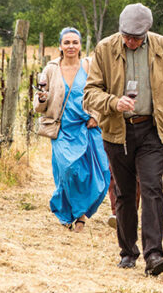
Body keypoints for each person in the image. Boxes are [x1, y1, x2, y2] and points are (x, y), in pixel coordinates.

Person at [84, 3, 163, 277]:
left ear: (147, 31)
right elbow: (89, 93)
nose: (130, 41)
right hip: (117, 131)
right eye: (126, 36)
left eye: (136, 37)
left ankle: (154, 254)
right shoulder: (105, 48)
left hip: (152, 130)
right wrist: (112, 101)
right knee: (124, 193)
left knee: (152, 188)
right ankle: (127, 251)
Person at [35, 27, 111, 233]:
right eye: (66, 42)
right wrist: (41, 99)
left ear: (80, 45)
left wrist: (97, 116)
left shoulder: (90, 66)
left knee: (99, 173)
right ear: (60, 45)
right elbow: (39, 105)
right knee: (68, 171)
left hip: (87, 128)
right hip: (62, 130)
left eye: (74, 42)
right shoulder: (50, 69)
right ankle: (74, 213)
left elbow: (102, 93)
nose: (71, 46)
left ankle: (81, 214)